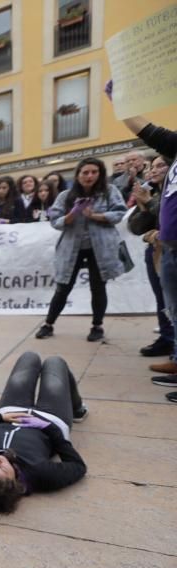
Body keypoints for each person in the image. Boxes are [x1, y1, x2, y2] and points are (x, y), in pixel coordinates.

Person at [106, 79, 177, 402]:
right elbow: (147, 130)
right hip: (169, 248)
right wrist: (119, 98)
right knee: (174, 309)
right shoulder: (173, 150)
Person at [0, 352, 88, 513]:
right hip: (51, 417)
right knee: (55, 363)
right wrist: (47, 427)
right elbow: (78, 466)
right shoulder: (40, 474)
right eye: (2, 468)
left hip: (11, 409)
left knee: (29, 358)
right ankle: (77, 408)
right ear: (14, 484)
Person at [34, 158, 127, 342]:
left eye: (94, 172)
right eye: (85, 172)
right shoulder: (65, 196)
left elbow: (119, 213)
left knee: (98, 288)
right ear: (78, 175)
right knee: (62, 287)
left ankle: (97, 326)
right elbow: (55, 221)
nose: (89, 176)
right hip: (71, 249)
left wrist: (95, 215)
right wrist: (72, 214)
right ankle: (48, 324)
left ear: (100, 174)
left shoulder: (109, 192)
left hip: (100, 248)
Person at [129, 156, 175, 362]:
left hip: (171, 251)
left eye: (161, 166)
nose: (154, 171)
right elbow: (135, 227)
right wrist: (143, 206)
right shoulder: (152, 193)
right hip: (155, 252)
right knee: (162, 299)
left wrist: (150, 202)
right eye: (152, 167)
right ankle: (167, 338)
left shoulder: (169, 195)